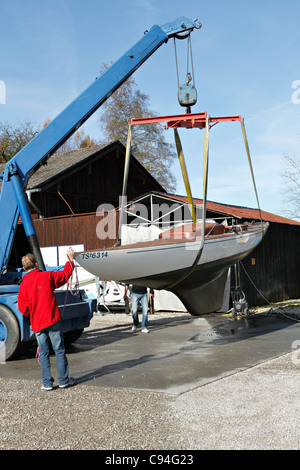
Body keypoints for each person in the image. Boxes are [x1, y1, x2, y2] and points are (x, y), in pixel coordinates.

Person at [18, 249, 75, 391]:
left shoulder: (23, 285)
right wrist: (70, 261)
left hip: (37, 322)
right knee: (59, 349)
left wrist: (31, 313)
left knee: (43, 352)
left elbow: (23, 309)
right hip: (52, 319)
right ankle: (63, 381)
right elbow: (64, 275)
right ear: (36, 264)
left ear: (24, 268)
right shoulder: (47, 276)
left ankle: (47, 383)